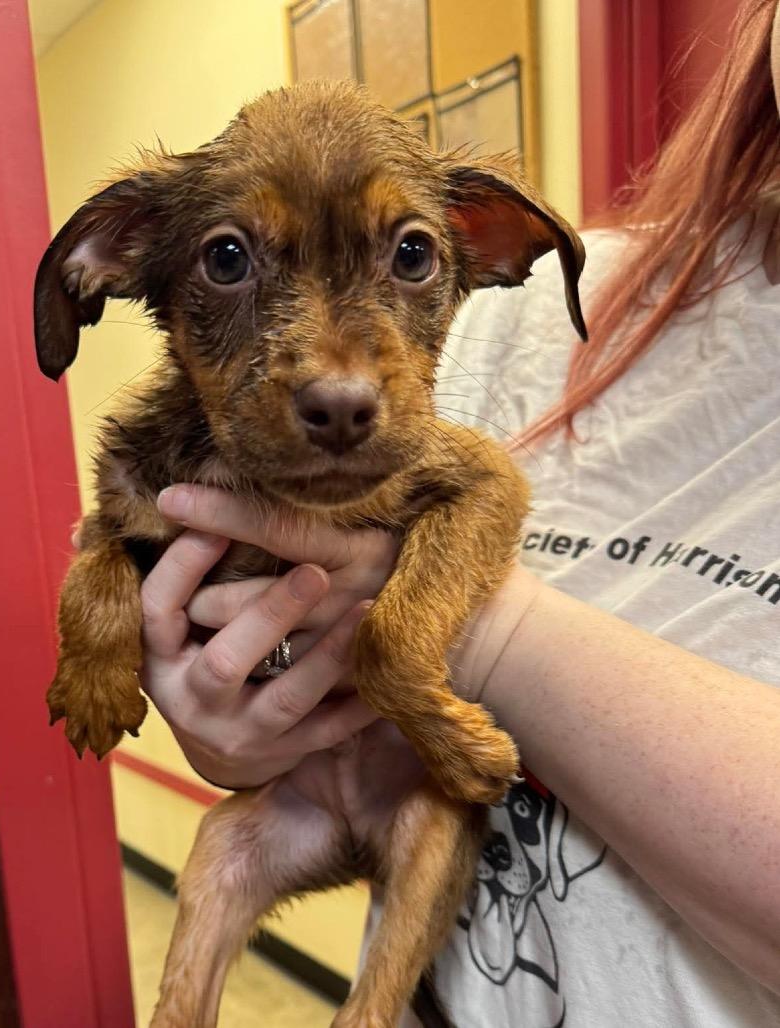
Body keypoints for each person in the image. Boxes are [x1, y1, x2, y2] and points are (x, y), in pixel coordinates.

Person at [134, 1, 780, 1023]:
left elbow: (453, 531)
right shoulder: (524, 305)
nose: (342, 378)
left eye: (408, 258)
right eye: (228, 257)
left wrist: (469, 638)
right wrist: (242, 714)